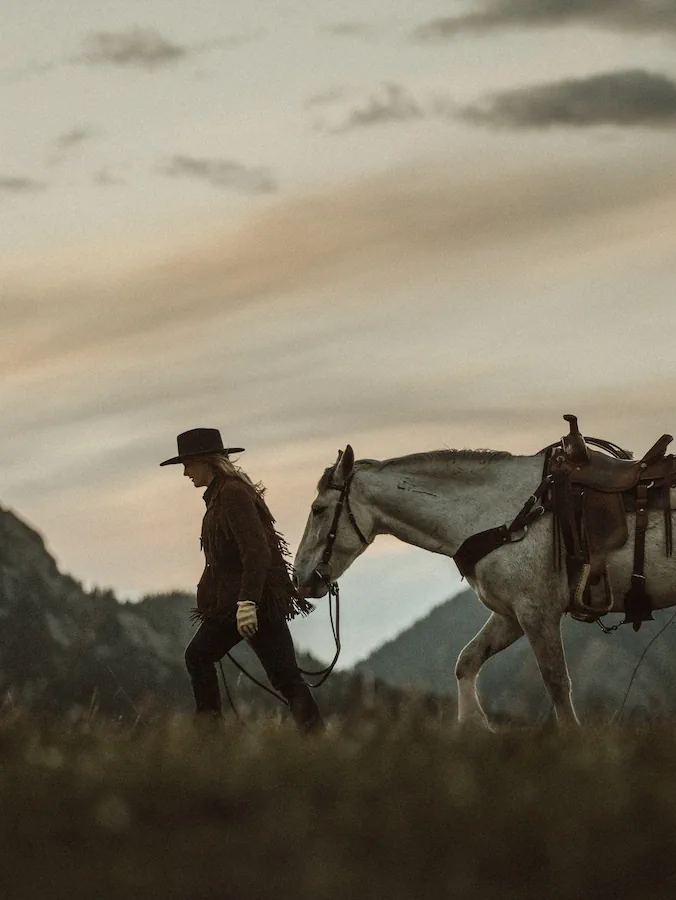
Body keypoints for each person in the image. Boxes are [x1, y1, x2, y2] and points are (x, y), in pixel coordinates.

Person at [160, 428, 323, 733]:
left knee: (198, 657)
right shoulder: (222, 494)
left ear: (205, 461)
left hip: (248, 603)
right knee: (286, 678)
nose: (184, 472)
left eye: (187, 464)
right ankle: (317, 739)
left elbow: (257, 550)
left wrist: (247, 602)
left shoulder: (232, 493)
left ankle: (210, 738)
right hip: (251, 602)